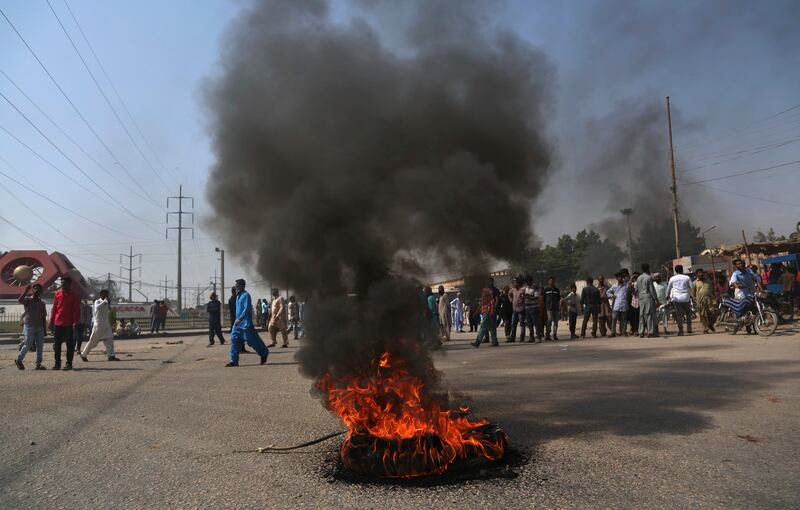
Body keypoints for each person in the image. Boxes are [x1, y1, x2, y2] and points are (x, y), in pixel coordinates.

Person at [226, 279, 269, 367]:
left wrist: (240, 319)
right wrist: (237, 320)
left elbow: (246, 309)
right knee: (234, 339)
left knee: (252, 341)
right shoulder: (238, 296)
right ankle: (234, 361)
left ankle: (264, 353)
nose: (236, 286)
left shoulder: (246, 295)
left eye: (237, 285)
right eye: (235, 285)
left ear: (242, 286)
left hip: (245, 323)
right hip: (237, 324)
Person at [49, 277, 81, 370]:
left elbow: (77, 310)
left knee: (69, 345)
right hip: (58, 323)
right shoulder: (57, 294)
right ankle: (57, 363)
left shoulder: (74, 295)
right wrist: (51, 322)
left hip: (69, 324)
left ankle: (69, 364)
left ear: (69, 284)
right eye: (61, 282)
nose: (62, 284)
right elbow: (54, 309)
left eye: (65, 283)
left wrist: (76, 322)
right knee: (57, 345)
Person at [15, 284, 47, 370]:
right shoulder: (28, 300)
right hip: (29, 326)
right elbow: (20, 300)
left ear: (41, 292)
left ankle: (38, 364)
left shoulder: (42, 303)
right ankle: (19, 360)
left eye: (39, 289)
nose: (36, 290)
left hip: (39, 327)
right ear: (32, 290)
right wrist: (25, 291)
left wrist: (44, 329)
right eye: (35, 288)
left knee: (40, 346)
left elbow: (43, 316)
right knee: (28, 344)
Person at [80, 290, 119, 362]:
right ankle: (83, 354)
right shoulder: (97, 301)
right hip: (98, 324)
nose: (106, 296)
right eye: (104, 295)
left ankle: (111, 356)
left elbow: (108, 310)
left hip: (106, 324)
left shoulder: (107, 302)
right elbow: (98, 307)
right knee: (93, 342)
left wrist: (110, 306)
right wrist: (104, 301)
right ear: (101, 295)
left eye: (107, 295)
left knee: (110, 339)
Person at [472, 277, 499, 347]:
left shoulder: (493, 291)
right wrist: (477, 311)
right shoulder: (484, 290)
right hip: (486, 310)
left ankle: (477, 342)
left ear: (492, 282)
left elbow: (495, 301)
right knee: (492, 327)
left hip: (489, 311)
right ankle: (495, 342)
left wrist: (493, 309)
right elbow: (482, 302)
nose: (488, 283)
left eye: (490, 282)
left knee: (483, 326)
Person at [666, 265, 693, 336]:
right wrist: (693, 297)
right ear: (682, 270)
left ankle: (681, 330)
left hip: (677, 299)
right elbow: (691, 287)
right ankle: (689, 328)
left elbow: (668, 289)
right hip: (686, 298)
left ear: (675, 271)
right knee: (688, 313)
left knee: (679, 315)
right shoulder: (687, 277)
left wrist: (667, 296)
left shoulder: (672, 278)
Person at [636, 264, 659, 338]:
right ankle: (650, 331)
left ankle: (641, 332)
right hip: (648, 296)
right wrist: (655, 298)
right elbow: (652, 289)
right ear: (648, 269)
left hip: (641, 297)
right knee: (649, 314)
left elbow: (637, 289)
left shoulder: (638, 278)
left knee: (641, 314)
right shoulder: (648, 277)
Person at [691, 269, 715, 334]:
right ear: (696, 275)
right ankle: (705, 328)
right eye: (699, 274)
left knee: (712, 313)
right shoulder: (694, 283)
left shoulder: (709, 281)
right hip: (700, 301)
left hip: (709, 300)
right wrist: (695, 301)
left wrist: (714, 298)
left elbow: (712, 290)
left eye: (701, 274)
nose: (700, 275)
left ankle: (710, 324)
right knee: (702, 315)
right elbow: (693, 293)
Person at [608, 273, 629, 337]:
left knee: (624, 319)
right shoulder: (614, 286)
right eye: (618, 277)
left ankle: (624, 331)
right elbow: (608, 292)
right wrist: (612, 296)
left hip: (624, 304)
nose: (620, 278)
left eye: (621, 277)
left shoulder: (626, 285)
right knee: (614, 319)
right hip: (617, 305)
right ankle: (613, 332)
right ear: (617, 278)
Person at [507, 277, 526, 342]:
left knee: (522, 324)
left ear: (518, 283)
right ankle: (512, 338)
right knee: (513, 324)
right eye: (513, 282)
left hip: (521, 309)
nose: (514, 283)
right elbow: (509, 294)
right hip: (514, 310)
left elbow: (526, 297)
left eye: (515, 282)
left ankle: (522, 337)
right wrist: (511, 300)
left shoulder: (523, 289)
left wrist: (523, 299)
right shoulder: (513, 289)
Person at [523, 275, 542, 342]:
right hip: (527, 307)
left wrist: (528, 297)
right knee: (529, 324)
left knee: (536, 323)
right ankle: (532, 337)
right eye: (526, 281)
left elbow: (536, 297)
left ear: (531, 281)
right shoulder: (526, 288)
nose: (527, 283)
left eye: (528, 281)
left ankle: (538, 337)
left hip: (534, 307)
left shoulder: (535, 287)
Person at [543, 276, 560, 341]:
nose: (551, 282)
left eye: (553, 281)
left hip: (556, 308)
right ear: (548, 282)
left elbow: (558, 298)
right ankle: (547, 334)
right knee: (549, 320)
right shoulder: (546, 290)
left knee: (556, 322)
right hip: (549, 308)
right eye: (550, 281)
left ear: (554, 282)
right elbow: (544, 299)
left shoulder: (557, 290)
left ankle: (555, 335)